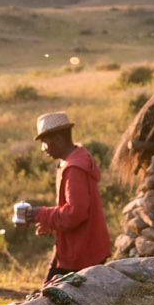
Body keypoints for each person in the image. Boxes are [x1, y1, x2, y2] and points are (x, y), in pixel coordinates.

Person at [29, 111, 110, 279]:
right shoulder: (77, 159)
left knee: (50, 299)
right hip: (85, 247)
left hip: (81, 254)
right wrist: (52, 223)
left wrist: (40, 214)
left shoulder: (74, 169)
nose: (43, 149)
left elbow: (75, 213)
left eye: (45, 142)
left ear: (58, 139)